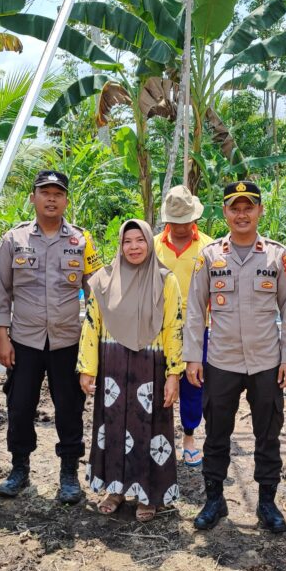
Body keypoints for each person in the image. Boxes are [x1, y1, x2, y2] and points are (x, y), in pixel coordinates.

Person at [184, 181, 286, 533]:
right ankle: (214, 499)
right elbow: (195, 310)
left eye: (248, 207)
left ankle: (267, 503)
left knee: (268, 434)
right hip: (221, 361)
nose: (241, 214)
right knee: (216, 433)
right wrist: (193, 357)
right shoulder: (209, 256)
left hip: (266, 362)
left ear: (260, 210)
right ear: (225, 212)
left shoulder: (278, 256)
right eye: (234, 208)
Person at [0, 170, 102, 504]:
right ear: (33, 198)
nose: (51, 199)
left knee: (70, 408)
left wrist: (95, 345)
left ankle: (69, 473)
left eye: (58, 193)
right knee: (19, 406)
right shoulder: (14, 240)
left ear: (66, 200)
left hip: (68, 342)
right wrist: (2, 337)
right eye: (45, 192)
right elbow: (1, 291)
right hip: (24, 341)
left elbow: (96, 294)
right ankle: (19, 469)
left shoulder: (82, 241)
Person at [77, 220, 185, 523]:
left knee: (149, 430)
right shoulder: (103, 280)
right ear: (120, 246)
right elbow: (91, 325)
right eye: (127, 241)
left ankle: (148, 494)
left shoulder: (165, 280)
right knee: (112, 427)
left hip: (151, 366)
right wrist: (87, 368)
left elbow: (174, 327)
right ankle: (115, 490)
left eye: (140, 240)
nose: (134, 247)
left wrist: (173, 374)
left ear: (150, 243)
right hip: (112, 365)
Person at [154, 185, 213, 468]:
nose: (180, 227)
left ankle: (189, 436)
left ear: (194, 218)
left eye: (185, 221)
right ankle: (156, 434)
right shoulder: (152, 246)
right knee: (157, 380)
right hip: (157, 327)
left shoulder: (208, 248)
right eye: (174, 221)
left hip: (195, 327)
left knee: (193, 383)